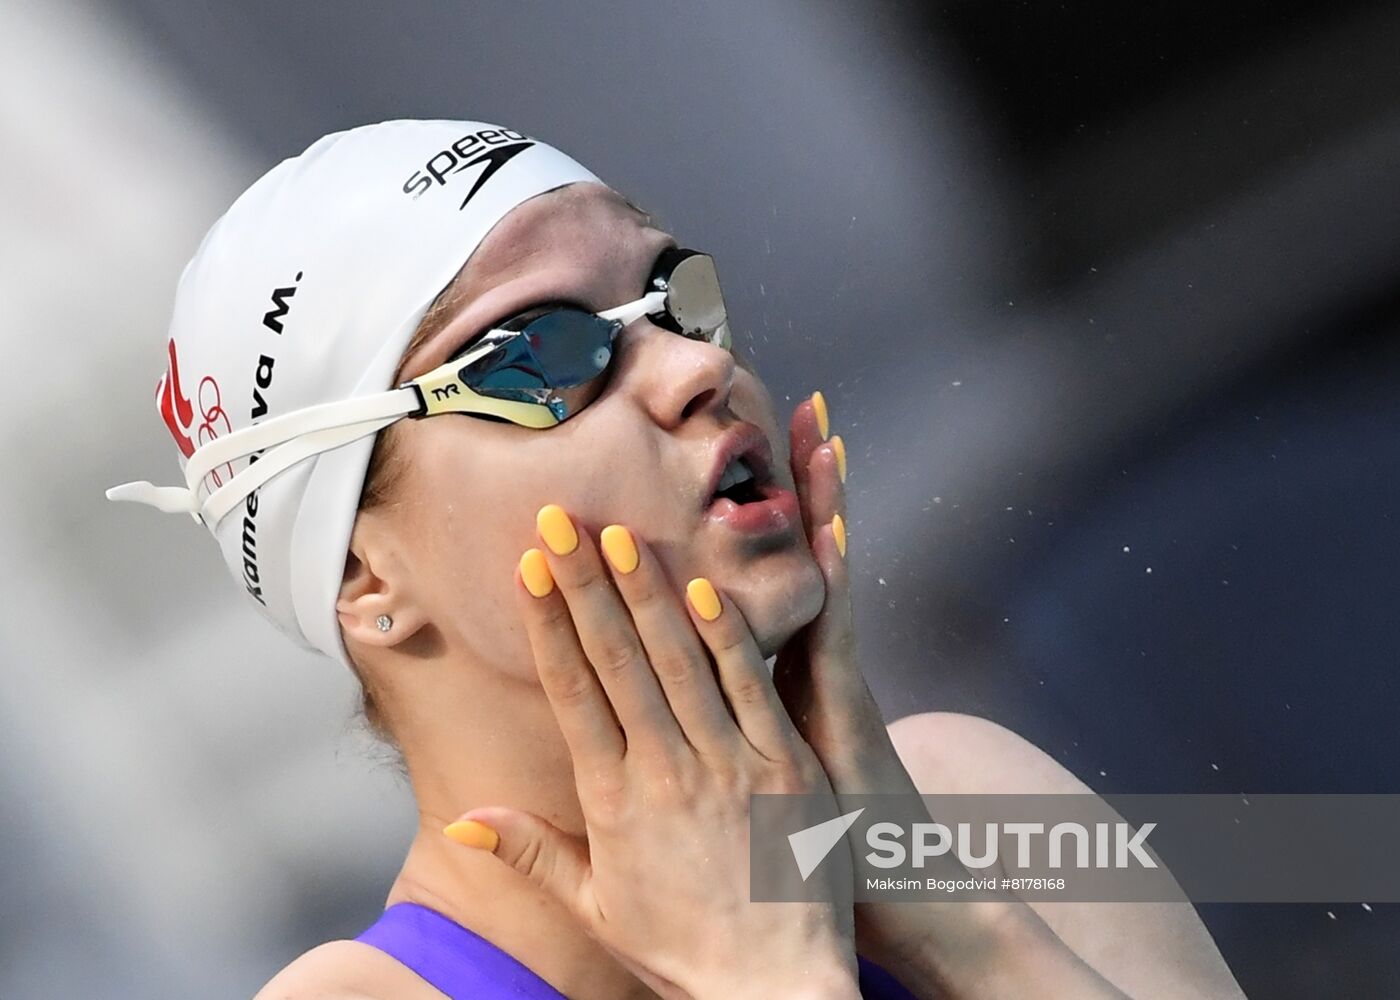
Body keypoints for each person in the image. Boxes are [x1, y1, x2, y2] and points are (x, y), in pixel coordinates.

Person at [108, 119, 1244, 999]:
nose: (690, 370)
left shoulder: (973, 807)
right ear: (363, 574)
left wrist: (976, 940)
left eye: (670, 301)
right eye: (543, 352)